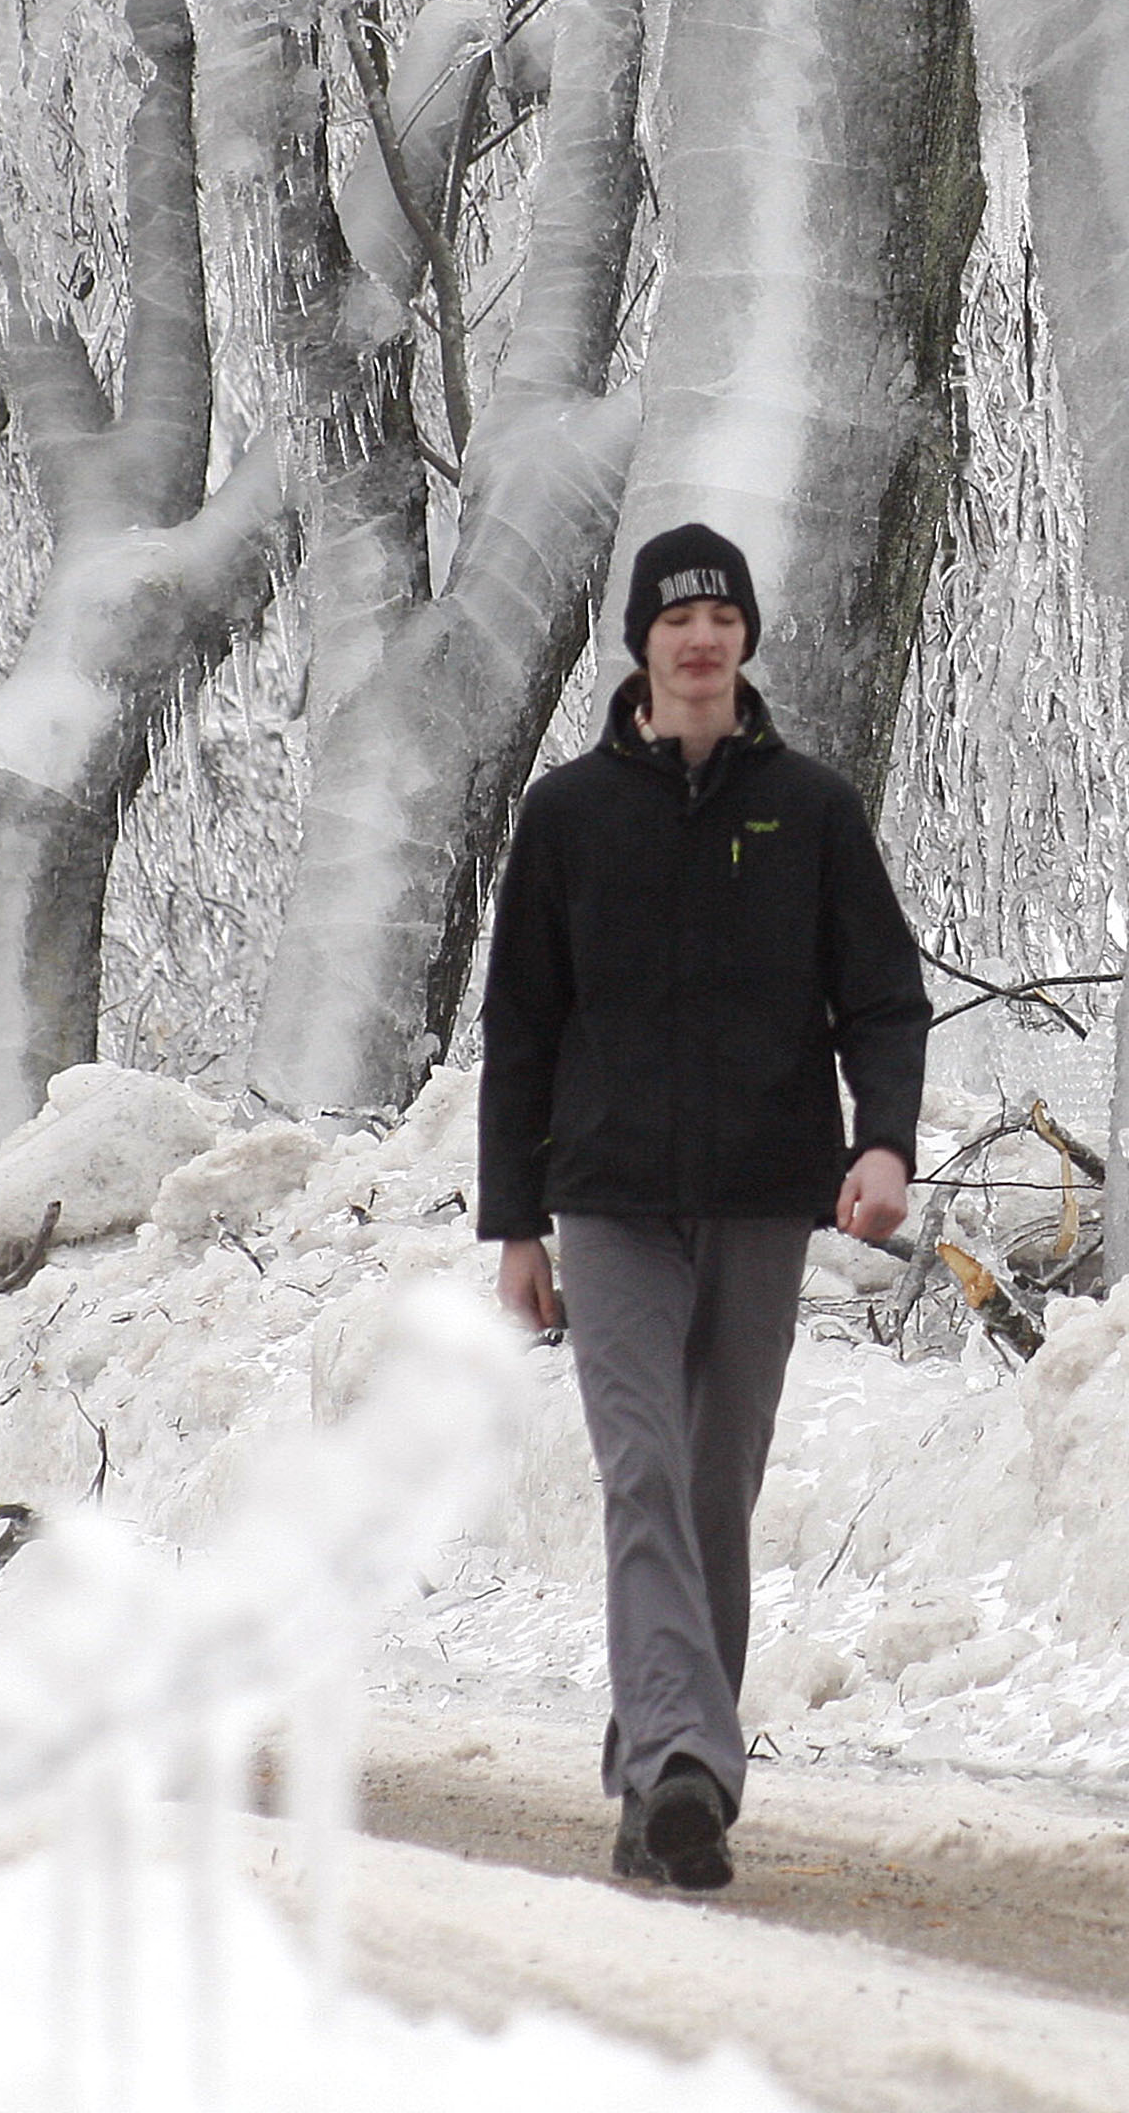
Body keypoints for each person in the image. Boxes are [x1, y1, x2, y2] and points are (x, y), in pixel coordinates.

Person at [476, 521, 932, 1892]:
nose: (699, 640)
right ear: (642, 645)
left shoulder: (811, 809)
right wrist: (516, 1225)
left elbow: (885, 997)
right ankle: (692, 1758)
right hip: (609, 1201)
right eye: (677, 621)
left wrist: (884, 1145)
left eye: (720, 618)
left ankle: (661, 1773)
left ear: (741, 640)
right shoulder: (568, 817)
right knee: (643, 1472)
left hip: (756, 1198)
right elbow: (522, 1028)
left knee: (717, 1487)